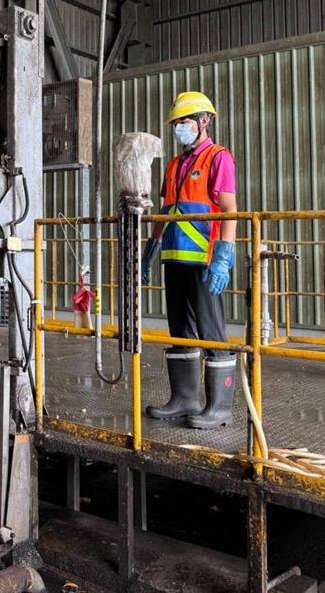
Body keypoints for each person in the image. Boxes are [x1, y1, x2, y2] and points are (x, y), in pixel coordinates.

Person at [141, 91, 238, 429]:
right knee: (180, 329)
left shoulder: (218, 157)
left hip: (205, 260)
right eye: (176, 123)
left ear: (204, 121)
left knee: (211, 331)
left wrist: (223, 256)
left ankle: (220, 407)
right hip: (174, 258)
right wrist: (150, 251)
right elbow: (167, 210)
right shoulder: (174, 165)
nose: (179, 128)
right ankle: (184, 399)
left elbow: (229, 210)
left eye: (185, 121)